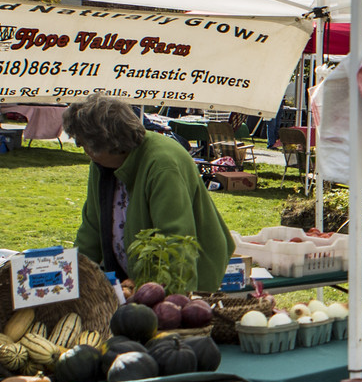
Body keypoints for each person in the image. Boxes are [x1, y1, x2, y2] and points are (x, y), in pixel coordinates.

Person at [65, 94, 235, 294]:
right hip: (134, 281)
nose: (83, 149)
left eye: (82, 143)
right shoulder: (102, 164)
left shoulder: (162, 164)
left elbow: (176, 240)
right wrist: (72, 277)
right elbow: (92, 228)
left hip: (187, 279)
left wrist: (174, 300)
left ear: (108, 143)